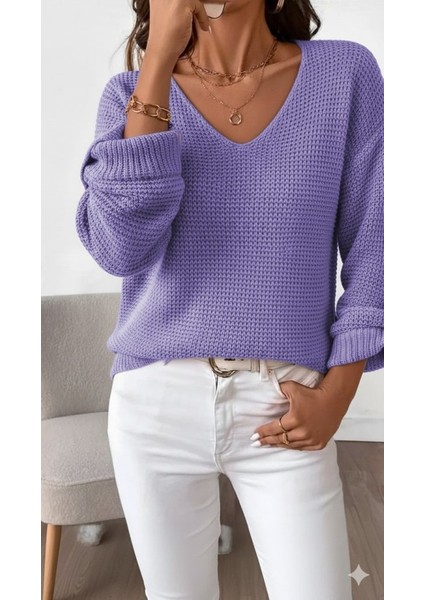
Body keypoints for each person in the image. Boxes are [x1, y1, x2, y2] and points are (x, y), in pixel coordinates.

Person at [75, 0, 383, 598]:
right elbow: (120, 251)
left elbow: (379, 245)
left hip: (284, 403)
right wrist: (157, 63)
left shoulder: (345, 75)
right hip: (153, 406)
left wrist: (339, 392)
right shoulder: (131, 96)